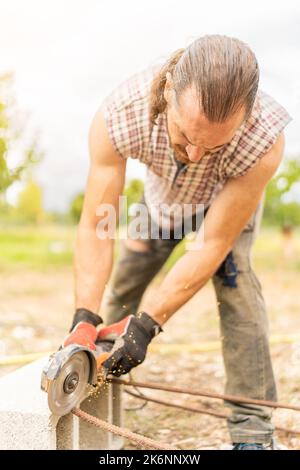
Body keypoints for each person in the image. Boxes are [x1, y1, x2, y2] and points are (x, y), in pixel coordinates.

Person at [63, 35, 292, 449]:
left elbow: (213, 242)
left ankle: (253, 432)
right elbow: (99, 226)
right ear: (168, 90)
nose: (196, 153)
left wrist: (150, 325)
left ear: (246, 117)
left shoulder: (265, 139)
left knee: (238, 290)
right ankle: (100, 381)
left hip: (222, 205)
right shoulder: (120, 114)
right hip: (160, 204)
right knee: (123, 291)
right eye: (186, 134)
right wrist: (84, 315)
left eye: (214, 144)